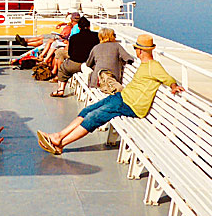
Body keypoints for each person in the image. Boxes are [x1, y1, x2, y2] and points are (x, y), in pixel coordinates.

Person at [36, 34, 184, 155]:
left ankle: (60, 143)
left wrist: (173, 86)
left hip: (130, 105)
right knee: (88, 111)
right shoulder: (145, 65)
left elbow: (167, 78)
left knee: (94, 117)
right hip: (122, 98)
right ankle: (58, 137)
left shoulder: (154, 66)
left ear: (140, 51)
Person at [50, 16, 99, 97]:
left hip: (76, 63)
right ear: (89, 26)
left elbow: (70, 53)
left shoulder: (74, 37)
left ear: (79, 27)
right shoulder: (96, 36)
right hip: (91, 64)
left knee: (63, 69)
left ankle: (61, 90)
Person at [85, 27, 134, 93]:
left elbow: (88, 64)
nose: (115, 37)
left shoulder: (96, 48)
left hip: (97, 82)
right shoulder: (117, 46)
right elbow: (128, 58)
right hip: (113, 82)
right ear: (111, 36)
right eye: (114, 35)